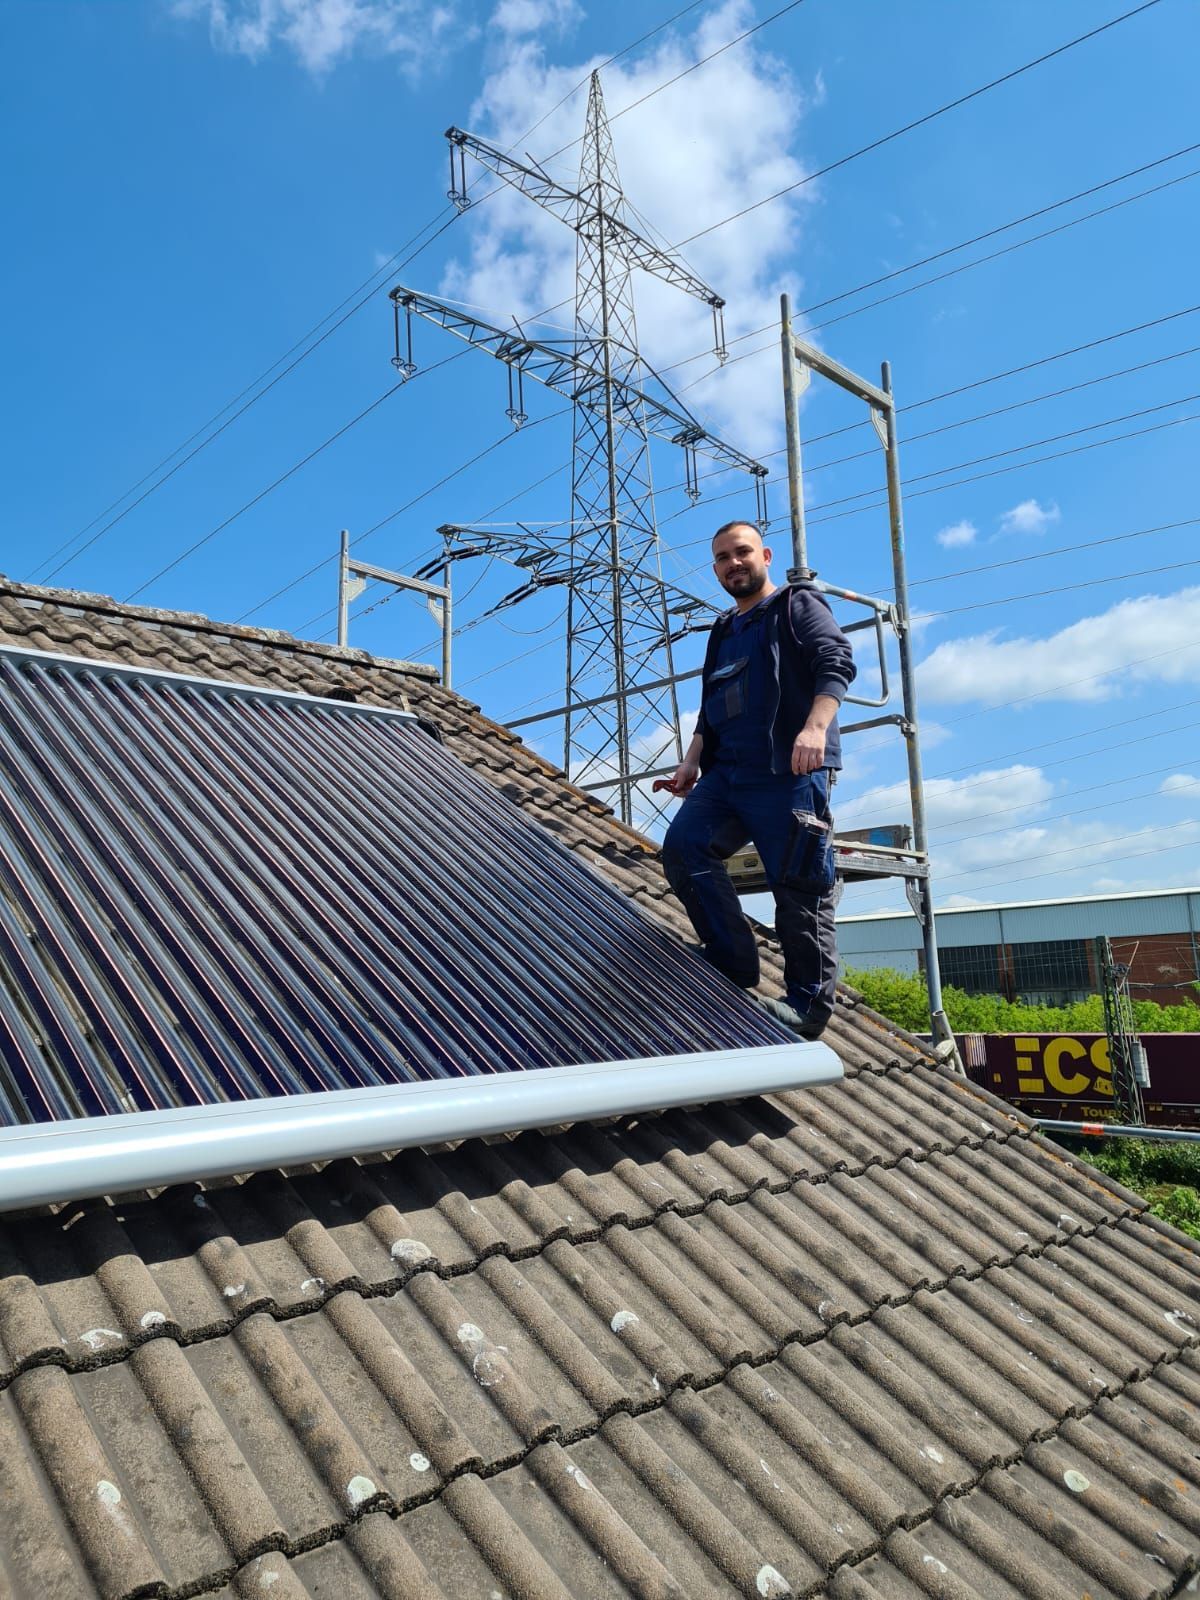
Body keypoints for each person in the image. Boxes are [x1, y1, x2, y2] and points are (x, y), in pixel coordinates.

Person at [661, 519, 856, 1039]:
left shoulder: (797, 605)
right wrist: (691, 761)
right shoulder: (723, 630)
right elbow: (710, 708)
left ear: (765, 555)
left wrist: (815, 728)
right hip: (728, 775)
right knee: (683, 848)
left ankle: (809, 1005)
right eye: (723, 557)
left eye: (742, 552)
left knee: (798, 885)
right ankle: (734, 962)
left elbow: (836, 662)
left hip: (789, 771)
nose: (733, 564)